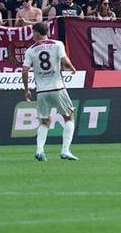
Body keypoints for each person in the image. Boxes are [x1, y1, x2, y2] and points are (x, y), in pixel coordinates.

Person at [21, 22, 78, 161]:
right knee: (69, 117)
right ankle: (65, 150)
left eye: (33, 32)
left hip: (41, 91)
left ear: (38, 33)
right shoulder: (57, 44)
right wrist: (72, 67)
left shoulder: (31, 50)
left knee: (44, 121)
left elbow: (25, 70)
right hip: (57, 87)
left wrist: (27, 89)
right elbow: (64, 60)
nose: (32, 35)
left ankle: (40, 151)